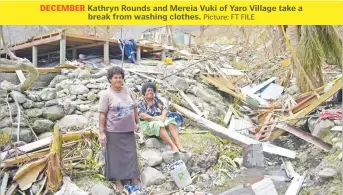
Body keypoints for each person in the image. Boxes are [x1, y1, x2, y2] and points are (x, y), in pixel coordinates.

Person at [98, 66, 141, 192]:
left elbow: (134, 108)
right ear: (110, 79)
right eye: (115, 78)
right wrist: (101, 132)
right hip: (113, 131)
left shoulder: (128, 91)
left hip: (128, 130)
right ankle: (118, 181)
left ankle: (134, 178)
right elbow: (102, 114)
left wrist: (137, 122)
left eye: (120, 77)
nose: (118, 80)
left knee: (131, 154)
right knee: (115, 157)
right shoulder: (106, 94)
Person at [137, 82, 186, 152]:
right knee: (159, 125)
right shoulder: (140, 102)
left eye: (152, 90)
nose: (150, 92)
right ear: (144, 92)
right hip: (147, 123)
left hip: (159, 119)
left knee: (171, 122)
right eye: (148, 90)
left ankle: (179, 145)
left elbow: (164, 109)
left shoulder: (156, 99)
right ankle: (173, 146)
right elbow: (143, 115)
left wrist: (162, 118)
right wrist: (156, 119)